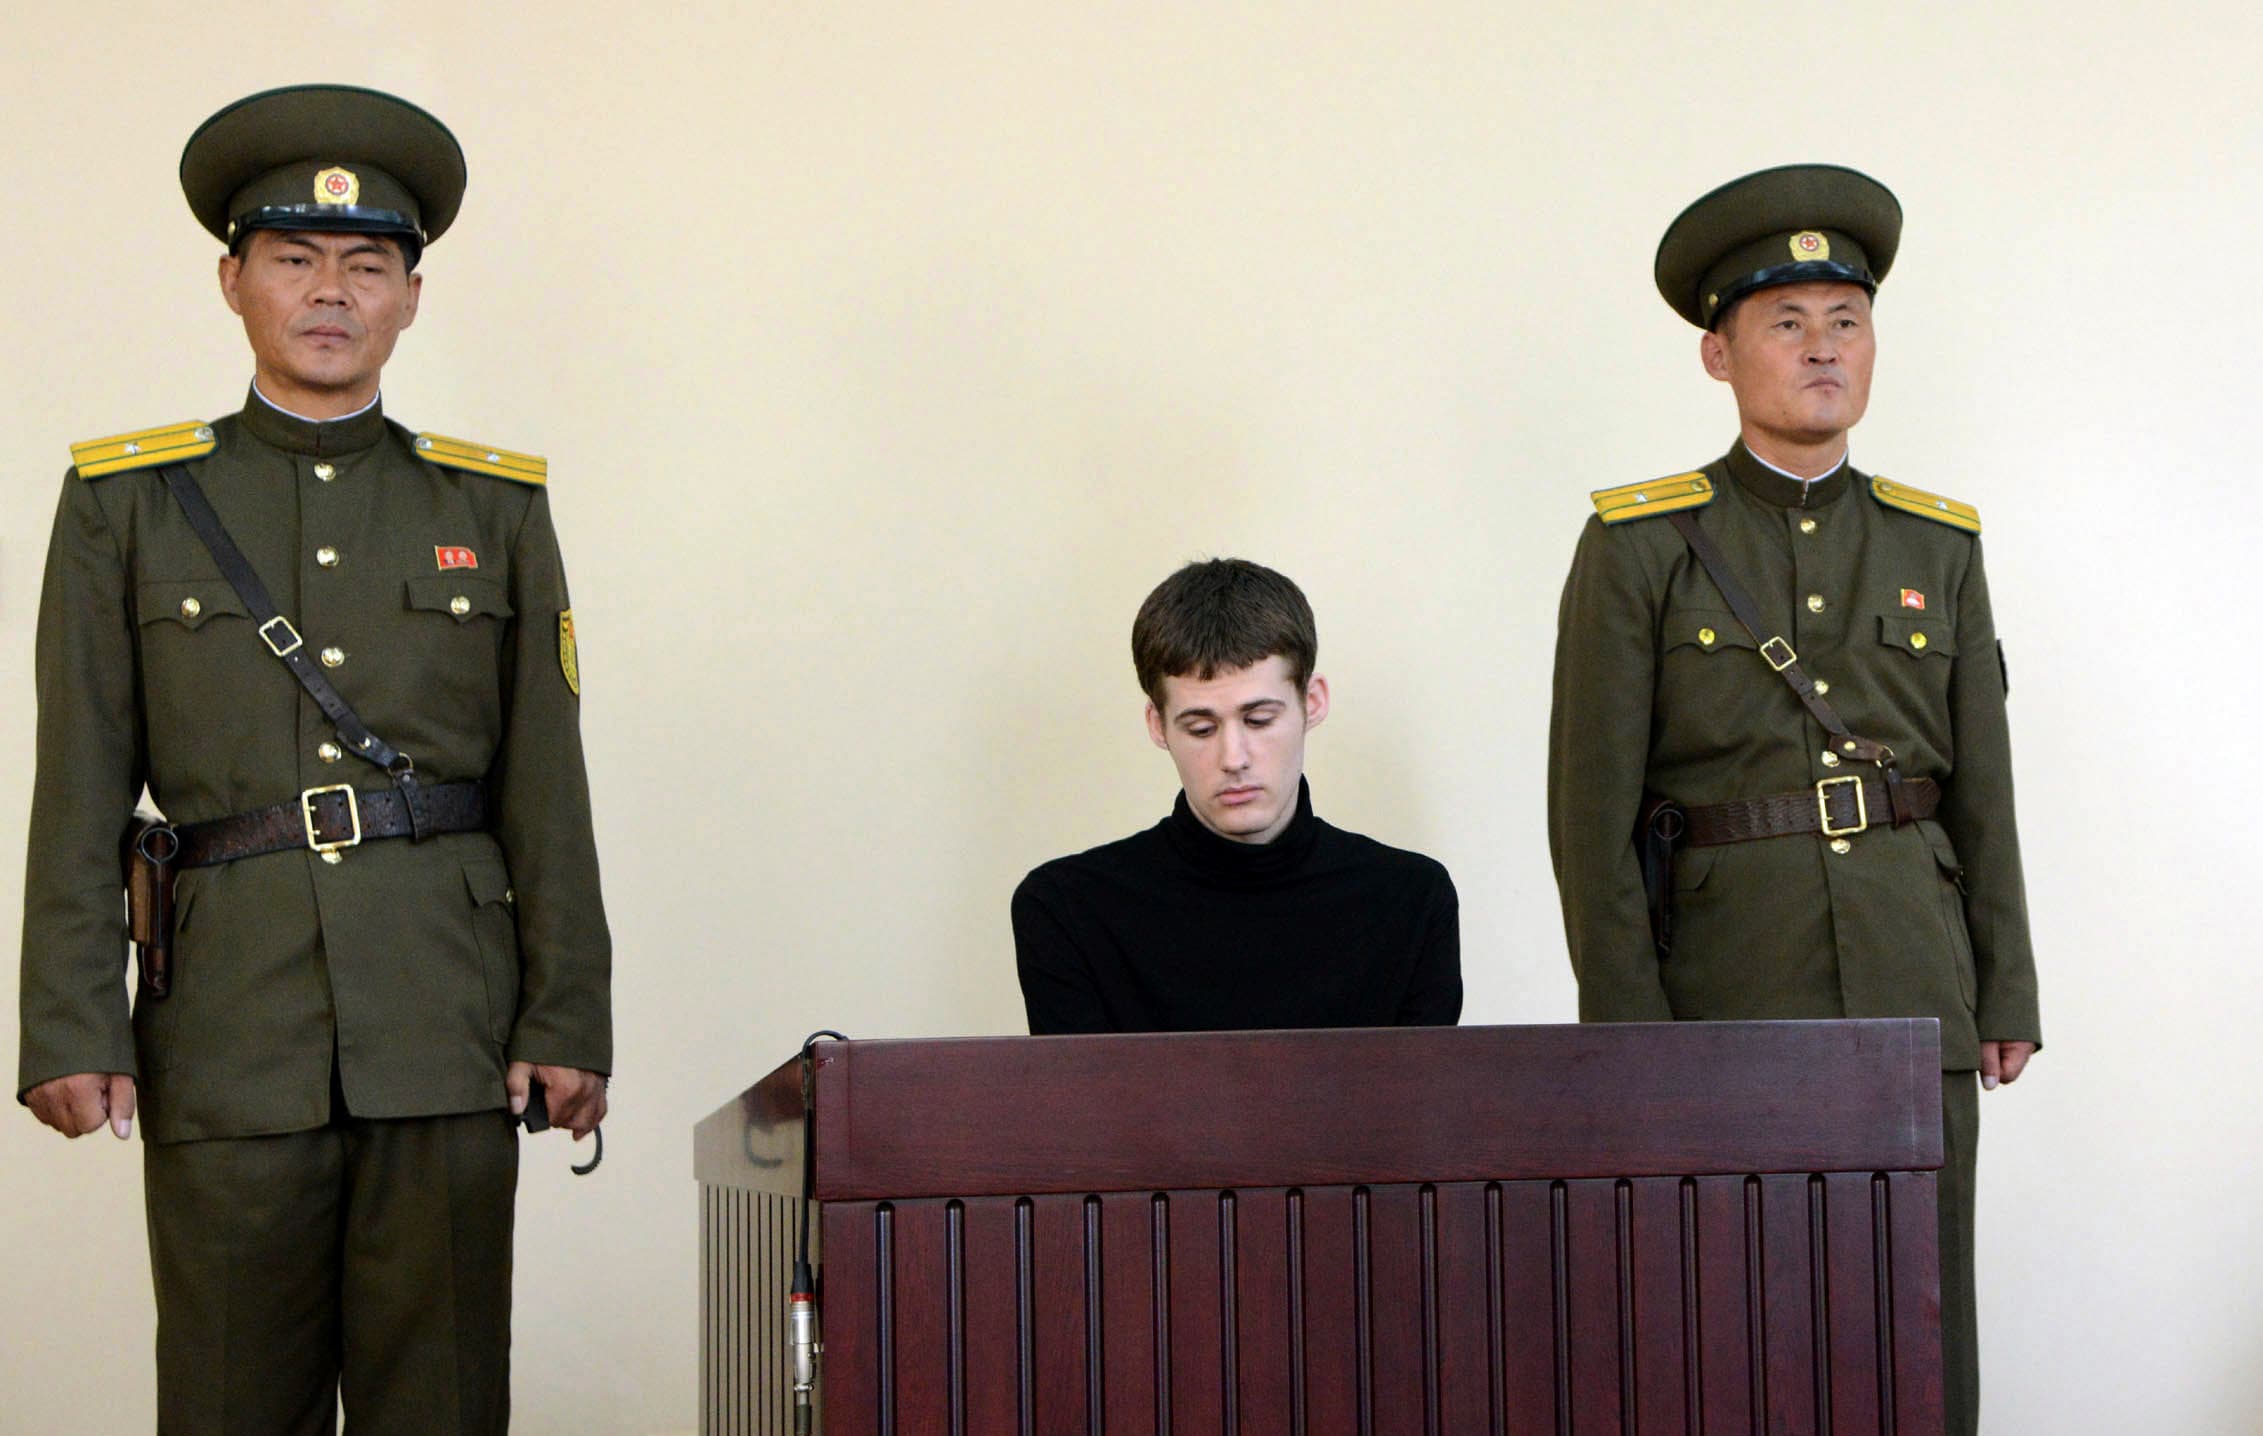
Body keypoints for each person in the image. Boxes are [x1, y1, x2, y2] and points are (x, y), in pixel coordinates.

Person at [15, 84, 612, 1433]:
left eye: (367, 265)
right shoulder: (127, 503)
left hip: (445, 1020)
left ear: (411, 298)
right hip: (231, 1026)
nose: (330, 291)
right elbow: (80, 780)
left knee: (441, 1401)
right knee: (229, 1399)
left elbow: (546, 783)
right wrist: (69, 1020)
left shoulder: (493, 507)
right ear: (233, 282)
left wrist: (567, 1013)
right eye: (293, 258)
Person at [1546, 163, 2041, 1436]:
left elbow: (1982, 786)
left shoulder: (1939, 544)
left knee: (1919, 1321)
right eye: (1786, 321)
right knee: (1733, 1325)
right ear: (1718, 354)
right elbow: (1589, 819)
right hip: (1724, 985)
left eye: (1845, 320)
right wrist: (1630, 1034)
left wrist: (2003, 989)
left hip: (1913, 974)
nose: (1823, 348)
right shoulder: (1638, 547)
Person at [1014, 558, 1461, 1034]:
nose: (1234, 758)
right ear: (1157, 725)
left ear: (1312, 703)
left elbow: (1421, 1086)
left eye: (1259, 720)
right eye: (1201, 728)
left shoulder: (1413, 900)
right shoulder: (1067, 909)